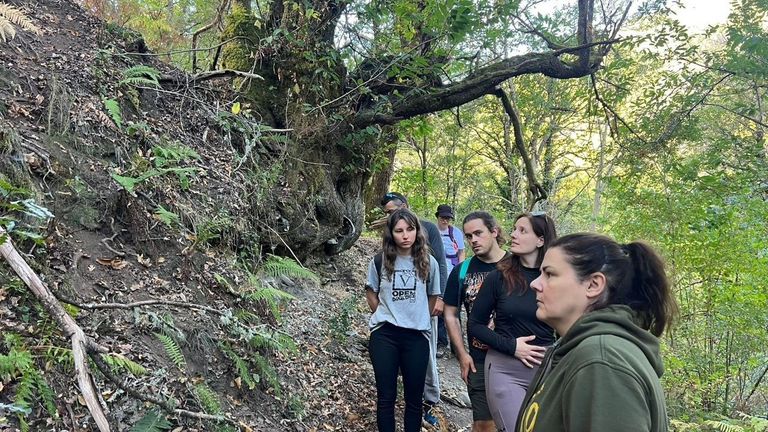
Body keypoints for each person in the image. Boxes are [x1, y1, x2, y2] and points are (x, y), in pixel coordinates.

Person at [516, 233, 678, 432]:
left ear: (593, 285)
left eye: (549, 274)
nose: (534, 284)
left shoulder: (601, 360)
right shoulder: (583, 351)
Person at [468, 212, 557, 432]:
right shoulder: (499, 276)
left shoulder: (557, 278)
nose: (514, 235)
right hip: (505, 368)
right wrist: (512, 346)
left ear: (540, 240)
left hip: (546, 370)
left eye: (522, 230)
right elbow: (474, 324)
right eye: (515, 229)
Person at [365, 208, 441, 432]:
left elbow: (433, 296)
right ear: (391, 233)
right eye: (399, 231)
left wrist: (417, 316)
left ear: (417, 231)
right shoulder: (379, 260)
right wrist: (386, 313)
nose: (405, 235)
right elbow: (371, 292)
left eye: (410, 229)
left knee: (414, 399)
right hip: (385, 335)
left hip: (416, 336)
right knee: (386, 397)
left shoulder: (429, 262)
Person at [380, 192, 448, 426]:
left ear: (406, 206)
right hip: (394, 319)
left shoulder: (428, 228)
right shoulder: (389, 235)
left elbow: (440, 265)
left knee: (427, 360)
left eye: (393, 211)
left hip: (425, 309)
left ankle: (430, 404)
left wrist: (440, 298)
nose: (389, 216)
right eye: (387, 213)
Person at [443, 211, 508, 432]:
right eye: (469, 236)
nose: (473, 240)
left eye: (479, 233)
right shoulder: (462, 271)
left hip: (514, 356)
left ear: (494, 231)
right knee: (483, 425)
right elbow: (450, 313)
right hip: (479, 359)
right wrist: (462, 354)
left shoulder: (516, 265)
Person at [435, 204, 464, 357]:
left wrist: (461, 273)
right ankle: (441, 342)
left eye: (448, 218)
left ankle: (457, 347)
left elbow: (461, 253)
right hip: (437, 274)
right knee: (438, 308)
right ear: (437, 217)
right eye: (443, 217)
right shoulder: (432, 232)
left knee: (454, 309)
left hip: (453, 273)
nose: (445, 220)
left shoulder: (455, 233)